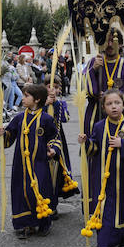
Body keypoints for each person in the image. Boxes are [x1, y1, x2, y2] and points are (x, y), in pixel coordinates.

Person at [78, 89, 124, 247]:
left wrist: (122, 143)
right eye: (109, 104)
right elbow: (95, 149)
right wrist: (86, 143)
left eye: (117, 103)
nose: (114, 107)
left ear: (123, 105)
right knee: (107, 210)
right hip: (105, 179)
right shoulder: (100, 127)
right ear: (103, 107)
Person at [0, 84, 61, 238]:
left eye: (26, 96)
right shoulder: (19, 118)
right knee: (21, 190)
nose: (23, 98)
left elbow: (54, 137)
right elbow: (9, 136)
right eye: (23, 95)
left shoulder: (46, 119)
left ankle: (43, 222)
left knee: (41, 189)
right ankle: (25, 224)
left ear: (37, 99)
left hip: (40, 162)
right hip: (21, 164)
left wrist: (53, 149)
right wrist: (2, 134)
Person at [83, 28, 124, 135]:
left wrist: (115, 101)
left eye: (113, 41)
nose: (109, 44)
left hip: (118, 118)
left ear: (120, 44)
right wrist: (93, 70)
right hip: (95, 114)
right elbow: (83, 87)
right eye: (106, 41)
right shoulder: (94, 62)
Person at [45, 81, 79, 210]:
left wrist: (56, 104)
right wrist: (45, 104)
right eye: (49, 87)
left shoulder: (61, 103)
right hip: (43, 139)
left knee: (58, 169)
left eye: (56, 87)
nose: (52, 90)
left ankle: (54, 202)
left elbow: (65, 118)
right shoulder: (39, 102)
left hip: (57, 138)